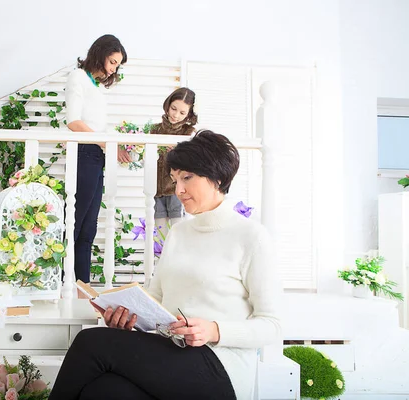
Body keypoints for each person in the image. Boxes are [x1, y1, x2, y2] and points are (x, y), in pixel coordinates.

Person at [49, 130, 282, 400]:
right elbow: (157, 298)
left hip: (220, 366)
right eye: (174, 180)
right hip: (172, 354)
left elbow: (272, 325)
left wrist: (214, 330)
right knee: (103, 391)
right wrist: (128, 317)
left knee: (90, 342)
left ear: (217, 177)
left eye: (187, 178)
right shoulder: (179, 233)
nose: (178, 190)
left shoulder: (251, 237)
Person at [65, 34, 130, 284]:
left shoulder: (96, 86)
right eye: (112, 61)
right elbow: (74, 122)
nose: (114, 68)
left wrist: (114, 145)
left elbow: (95, 126)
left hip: (96, 155)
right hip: (83, 153)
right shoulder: (78, 77)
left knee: (88, 228)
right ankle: (65, 283)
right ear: (100, 53)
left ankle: (81, 285)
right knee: (75, 224)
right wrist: (107, 144)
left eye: (117, 64)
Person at [149, 87, 197, 238]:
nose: (176, 115)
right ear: (168, 105)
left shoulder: (189, 133)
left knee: (178, 234)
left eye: (182, 113)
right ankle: (161, 262)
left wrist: (178, 154)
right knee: (160, 236)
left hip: (178, 190)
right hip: (156, 190)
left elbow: (195, 163)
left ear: (189, 114)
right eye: (173, 109)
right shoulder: (154, 130)